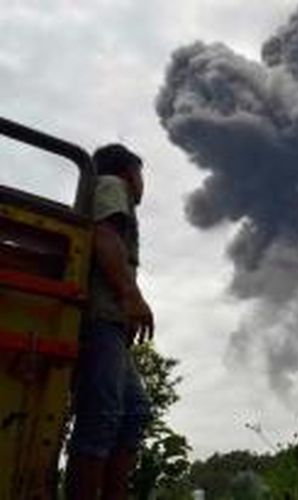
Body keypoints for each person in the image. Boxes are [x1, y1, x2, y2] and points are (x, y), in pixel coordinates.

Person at [67, 144, 154, 500]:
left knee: (133, 412)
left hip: (111, 324)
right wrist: (129, 295)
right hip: (98, 319)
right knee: (101, 416)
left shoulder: (109, 190)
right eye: (141, 173)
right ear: (129, 172)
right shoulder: (111, 186)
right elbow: (105, 236)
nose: (142, 183)